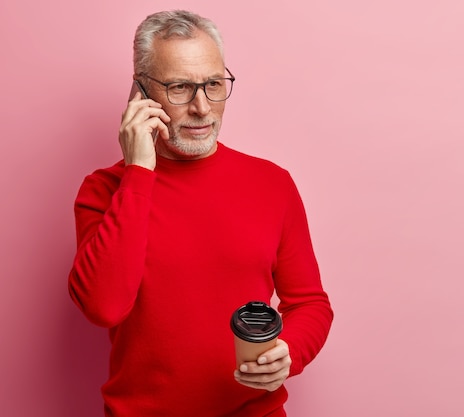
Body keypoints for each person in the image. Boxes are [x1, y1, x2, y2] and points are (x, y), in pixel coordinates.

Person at [68, 10, 333, 417]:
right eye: (179, 88)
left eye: (213, 84)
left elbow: (310, 303)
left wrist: (288, 352)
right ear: (141, 93)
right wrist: (138, 172)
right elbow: (104, 306)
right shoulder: (104, 191)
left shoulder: (272, 183)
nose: (201, 107)